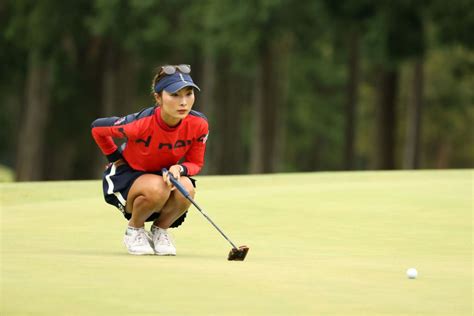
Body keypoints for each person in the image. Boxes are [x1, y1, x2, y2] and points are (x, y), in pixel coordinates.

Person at [91, 64, 209, 255]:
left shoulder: (199, 124)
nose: (183, 102)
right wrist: (114, 157)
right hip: (129, 175)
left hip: (164, 174)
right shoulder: (138, 124)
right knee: (156, 188)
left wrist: (179, 169)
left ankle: (160, 231)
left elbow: (195, 163)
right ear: (158, 98)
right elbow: (97, 129)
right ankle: (134, 230)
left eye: (188, 94)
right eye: (175, 95)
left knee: (187, 188)